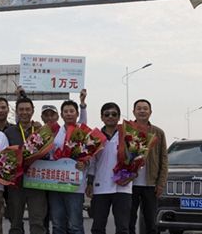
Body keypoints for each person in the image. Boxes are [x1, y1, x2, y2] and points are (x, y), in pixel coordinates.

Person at [86, 103, 132, 234]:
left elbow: (137, 158)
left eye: (114, 114)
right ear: (102, 117)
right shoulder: (95, 137)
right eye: (107, 114)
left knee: (123, 227)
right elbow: (92, 162)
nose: (110, 117)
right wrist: (90, 183)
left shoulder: (127, 136)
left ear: (118, 117)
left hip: (123, 187)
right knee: (98, 227)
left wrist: (132, 175)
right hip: (101, 187)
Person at [5, 97, 48, 234]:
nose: (24, 112)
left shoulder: (41, 131)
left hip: (37, 183)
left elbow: (48, 154)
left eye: (27, 109)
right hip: (16, 184)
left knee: (37, 222)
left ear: (33, 111)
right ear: (16, 112)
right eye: (21, 110)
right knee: (15, 223)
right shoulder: (9, 132)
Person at [49, 100, 88, 234]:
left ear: (77, 114)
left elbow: (89, 154)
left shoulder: (81, 131)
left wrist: (84, 162)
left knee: (75, 225)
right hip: (55, 183)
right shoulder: (55, 132)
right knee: (57, 224)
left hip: (75, 185)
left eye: (72, 111)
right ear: (61, 114)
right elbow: (48, 154)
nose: (69, 114)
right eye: (66, 111)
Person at [128, 99, 168, 234]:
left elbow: (164, 159)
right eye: (139, 108)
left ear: (150, 112)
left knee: (151, 222)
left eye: (145, 108)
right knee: (128, 221)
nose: (142, 111)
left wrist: (161, 183)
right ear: (133, 111)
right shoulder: (126, 130)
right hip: (129, 184)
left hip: (151, 184)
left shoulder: (158, 132)